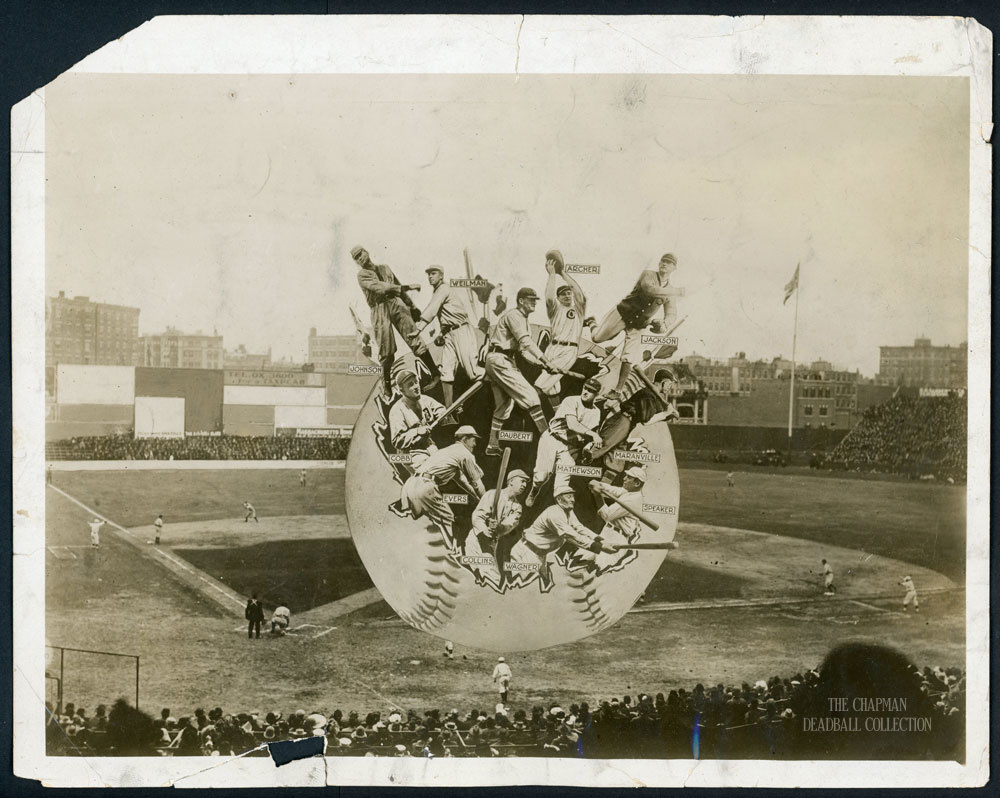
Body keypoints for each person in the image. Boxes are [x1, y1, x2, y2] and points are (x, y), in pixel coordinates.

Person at [484, 287, 564, 456]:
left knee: (503, 406)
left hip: (502, 359)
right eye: (531, 299)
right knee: (532, 398)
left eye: (535, 299)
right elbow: (526, 342)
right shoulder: (515, 315)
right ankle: (548, 441)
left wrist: (541, 364)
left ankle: (492, 445)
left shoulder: (522, 319)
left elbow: (523, 351)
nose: (534, 302)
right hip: (500, 359)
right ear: (521, 301)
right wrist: (546, 361)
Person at [352, 245, 440, 395]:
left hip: (396, 303)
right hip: (379, 309)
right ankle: (387, 384)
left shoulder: (385, 268)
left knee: (414, 339)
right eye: (357, 258)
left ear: (367, 251)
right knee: (387, 350)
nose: (361, 258)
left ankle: (435, 373)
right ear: (356, 262)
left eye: (361, 254)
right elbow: (381, 288)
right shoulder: (362, 275)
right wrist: (407, 287)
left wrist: (412, 307)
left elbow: (396, 286)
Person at [591, 253, 680, 392]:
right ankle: (591, 323)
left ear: (674, 268)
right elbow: (649, 289)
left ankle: (617, 391)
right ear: (658, 263)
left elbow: (671, 314)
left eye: (669, 263)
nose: (664, 264)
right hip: (622, 313)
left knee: (628, 357)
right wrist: (676, 291)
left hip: (639, 324)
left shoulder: (670, 292)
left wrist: (662, 325)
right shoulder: (648, 275)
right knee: (597, 338)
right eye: (663, 261)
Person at [508, 485, 620, 587]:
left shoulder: (568, 512)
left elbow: (579, 528)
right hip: (526, 553)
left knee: (546, 586)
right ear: (559, 499)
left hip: (540, 555)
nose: (573, 500)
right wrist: (600, 547)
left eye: (573, 496)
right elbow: (571, 536)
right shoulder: (554, 514)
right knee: (523, 589)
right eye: (569, 496)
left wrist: (602, 540)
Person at [410, 265, 485, 406]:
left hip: (462, 331)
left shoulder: (444, 289)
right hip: (450, 333)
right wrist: (441, 333)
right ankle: (449, 410)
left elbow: (431, 310)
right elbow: (447, 317)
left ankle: (501, 381)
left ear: (441, 276)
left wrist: (418, 329)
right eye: (429, 274)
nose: (430, 276)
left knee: (473, 372)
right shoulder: (438, 291)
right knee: (446, 372)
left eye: (433, 273)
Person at [399, 425, 486, 547]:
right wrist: (487, 503)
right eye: (473, 439)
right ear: (465, 439)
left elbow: (462, 481)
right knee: (448, 521)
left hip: (410, 486)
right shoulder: (464, 454)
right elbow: (477, 484)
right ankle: (456, 554)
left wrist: (477, 499)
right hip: (425, 487)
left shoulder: (448, 452)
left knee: (424, 524)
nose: (475, 444)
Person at [526, 378, 603, 507]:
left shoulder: (596, 412)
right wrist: (593, 434)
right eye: (585, 388)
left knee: (563, 482)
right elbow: (572, 425)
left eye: (591, 391)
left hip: (568, 447)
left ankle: (561, 510)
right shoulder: (571, 400)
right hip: (552, 439)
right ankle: (534, 490)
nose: (586, 392)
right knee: (541, 477)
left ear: (596, 395)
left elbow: (589, 435)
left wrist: (588, 448)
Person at [533, 251, 587, 408]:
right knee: (552, 389)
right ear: (559, 297)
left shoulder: (578, 310)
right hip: (552, 348)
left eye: (569, 293)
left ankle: (519, 413)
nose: (568, 296)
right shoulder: (555, 309)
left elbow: (579, 295)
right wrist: (551, 275)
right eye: (563, 294)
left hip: (568, 351)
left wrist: (562, 272)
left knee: (539, 386)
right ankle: (559, 420)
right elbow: (549, 297)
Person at [463, 469, 529, 587]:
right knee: (489, 579)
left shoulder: (517, 507)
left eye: (526, 483)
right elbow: (477, 516)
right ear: (511, 481)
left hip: (491, 543)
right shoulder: (492, 494)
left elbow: (509, 525)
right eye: (522, 481)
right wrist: (485, 529)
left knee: (493, 580)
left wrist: (498, 527)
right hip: (477, 539)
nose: (524, 485)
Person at [387, 369, 447, 468]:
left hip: (428, 445)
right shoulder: (396, 410)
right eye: (410, 385)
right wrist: (417, 431)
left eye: (416, 382)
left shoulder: (425, 400)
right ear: (401, 390)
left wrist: (449, 413)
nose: (416, 387)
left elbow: (442, 412)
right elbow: (397, 441)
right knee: (429, 472)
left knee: (452, 468)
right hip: (408, 453)